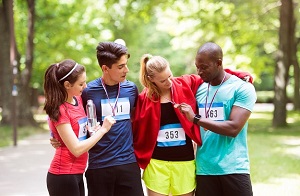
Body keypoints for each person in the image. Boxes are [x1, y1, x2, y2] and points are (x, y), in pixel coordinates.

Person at [176, 42, 257, 196]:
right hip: (204, 170)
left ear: (219, 63)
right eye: (197, 67)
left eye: (204, 67)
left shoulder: (242, 88)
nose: (199, 71)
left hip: (234, 168)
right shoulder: (199, 89)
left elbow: (233, 128)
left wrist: (196, 119)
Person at [133, 54, 203, 196]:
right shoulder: (144, 98)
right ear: (151, 79)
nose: (169, 82)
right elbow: (137, 128)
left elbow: (211, 73)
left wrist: (241, 75)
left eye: (170, 76)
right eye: (163, 80)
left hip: (185, 161)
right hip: (156, 163)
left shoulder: (184, 84)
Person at [44, 59, 116, 196]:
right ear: (67, 85)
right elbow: (76, 149)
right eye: (81, 84)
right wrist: (103, 130)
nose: (85, 86)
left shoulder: (78, 100)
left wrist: (54, 136)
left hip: (77, 172)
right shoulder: (61, 109)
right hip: (63, 175)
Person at [82, 41, 144, 196]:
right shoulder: (88, 91)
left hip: (128, 163)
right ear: (105, 68)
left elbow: (136, 119)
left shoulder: (131, 89)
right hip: (99, 165)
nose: (126, 70)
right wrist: (56, 137)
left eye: (126, 65)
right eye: (120, 67)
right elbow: (75, 119)